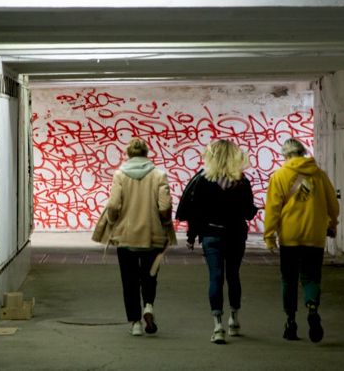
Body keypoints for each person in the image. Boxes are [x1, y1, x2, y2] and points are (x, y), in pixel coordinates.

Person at [178, 139, 258, 344]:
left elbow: (195, 213)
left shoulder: (203, 180)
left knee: (215, 277)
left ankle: (218, 326)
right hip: (236, 235)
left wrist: (191, 236)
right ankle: (234, 320)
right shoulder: (242, 182)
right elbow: (248, 213)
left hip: (211, 234)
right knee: (233, 275)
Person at [263, 138, 339, 343]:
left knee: (289, 279)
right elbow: (333, 204)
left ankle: (290, 322)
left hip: (290, 237)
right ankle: (312, 307)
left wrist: (269, 236)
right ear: (303, 153)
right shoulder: (319, 175)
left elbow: (273, 209)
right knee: (311, 278)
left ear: (286, 155)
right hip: (314, 236)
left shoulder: (280, 175)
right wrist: (332, 223)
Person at [106, 137, 175, 336]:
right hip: (152, 236)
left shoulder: (119, 175)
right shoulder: (159, 175)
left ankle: (135, 323)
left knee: (129, 281)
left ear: (128, 154)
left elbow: (113, 205)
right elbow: (165, 206)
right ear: (146, 154)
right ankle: (149, 306)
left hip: (126, 237)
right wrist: (165, 223)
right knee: (149, 275)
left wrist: (112, 221)